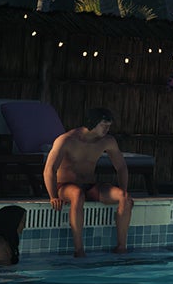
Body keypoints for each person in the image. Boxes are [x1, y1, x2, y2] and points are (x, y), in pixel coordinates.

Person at [43, 107, 134, 256]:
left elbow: (122, 167)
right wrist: (53, 196)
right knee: (78, 195)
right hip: (65, 186)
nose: (107, 129)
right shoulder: (66, 140)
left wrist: (124, 190)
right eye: (104, 125)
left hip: (90, 186)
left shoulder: (107, 141)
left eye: (109, 126)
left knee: (124, 197)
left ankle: (121, 247)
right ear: (93, 123)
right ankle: (79, 250)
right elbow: (49, 169)